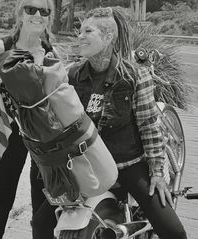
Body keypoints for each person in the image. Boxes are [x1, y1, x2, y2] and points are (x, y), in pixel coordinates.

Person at [67, 7, 187, 239]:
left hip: (128, 165)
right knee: (41, 224)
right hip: (89, 167)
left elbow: (149, 127)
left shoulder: (134, 76)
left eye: (87, 31)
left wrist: (157, 173)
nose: (80, 36)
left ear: (108, 37)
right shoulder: (73, 75)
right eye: (79, 31)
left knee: (173, 231)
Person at [0, 0, 57, 238]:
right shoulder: (0, 47)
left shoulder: (51, 50)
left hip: (40, 133)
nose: (37, 15)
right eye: (30, 9)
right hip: (9, 129)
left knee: (41, 197)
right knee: (1, 195)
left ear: (49, 17)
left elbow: (53, 97)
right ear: (20, 14)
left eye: (44, 11)